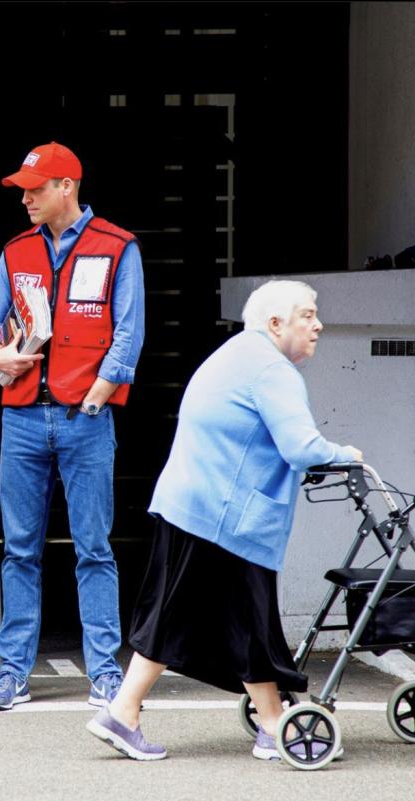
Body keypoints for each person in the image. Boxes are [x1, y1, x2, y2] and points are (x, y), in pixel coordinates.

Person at [85, 279, 362, 760]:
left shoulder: (236, 353)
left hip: (193, 502)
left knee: (193, 616)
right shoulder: (272, 371)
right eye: (307, 315)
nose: (318, 325)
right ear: (276, 323)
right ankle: (271, 726)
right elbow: (301, 447)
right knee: (241, 618)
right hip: (226, 515)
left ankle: (129, 711)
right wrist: (346, 454)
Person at [0, 142, 145, 710]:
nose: (25, 198)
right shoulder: (16, 250)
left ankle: (105, 672)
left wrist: (98, 395)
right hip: (20, 417)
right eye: (23, 188)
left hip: (84, 417)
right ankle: (12, 672)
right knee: (19, 550)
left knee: (93, 547)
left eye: (36, 188)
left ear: (67, 186)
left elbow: (129, 331)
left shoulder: (117, 246)